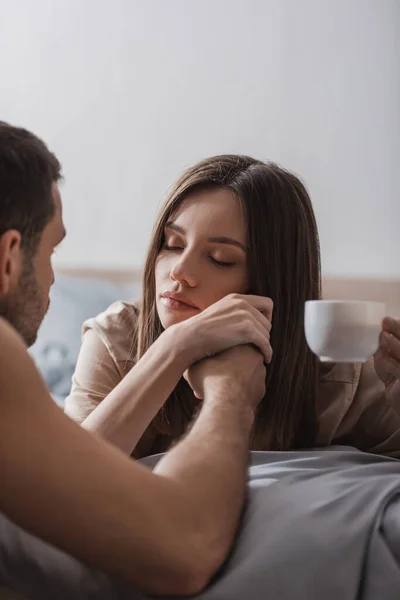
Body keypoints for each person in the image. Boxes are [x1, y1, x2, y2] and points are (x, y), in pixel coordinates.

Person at [0, 121, 272, 596]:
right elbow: (185, 549)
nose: (51, 281)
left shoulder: (342, 375)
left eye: (221, 259)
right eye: (52, 250)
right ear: (8, 257)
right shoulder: (106, 337)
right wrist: (230, 389)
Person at [65, 154, 400, 458]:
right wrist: (175, 348)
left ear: (273, 282)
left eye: (219, 259)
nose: (179, 271)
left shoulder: (339, 369)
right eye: (172, 244)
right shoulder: (116, 336)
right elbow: (68, 480)